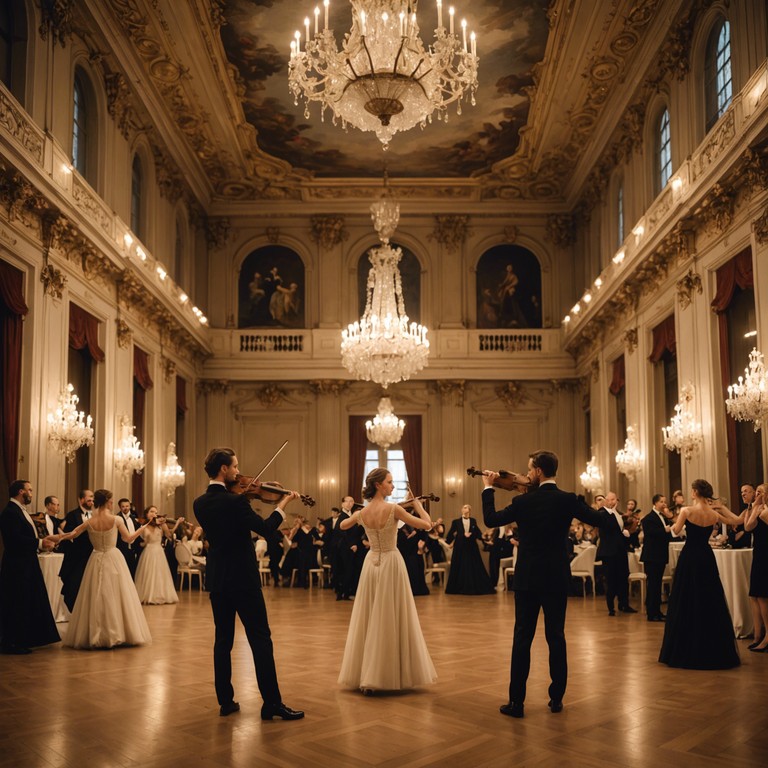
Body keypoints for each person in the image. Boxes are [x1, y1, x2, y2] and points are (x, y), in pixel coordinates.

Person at [481, 450, 603, 718]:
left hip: (527, 579)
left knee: (522, 638)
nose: (526, 474)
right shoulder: (567, 499)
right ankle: (556, 698)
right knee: (556, 637)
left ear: (537, 471)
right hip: (556, 578)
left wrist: (488, 488)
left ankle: (516, 703)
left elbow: (490, 520)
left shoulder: (522, 502)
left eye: (529, 469)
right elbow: (599, 519)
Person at [193, 447, 304, 720]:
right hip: (243, 578)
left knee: (223, 641)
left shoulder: (199, 503)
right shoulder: (236, 502)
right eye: (235, 467)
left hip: (218, 579)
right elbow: (266, 528)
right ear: (224, 470)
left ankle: (226, 702)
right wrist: (283, 504)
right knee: (260, 639)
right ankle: (272, 704)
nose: (239, 473)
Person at [337, 468, 437, 693]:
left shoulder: (363, 512)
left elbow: (342, 526)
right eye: (390, 482)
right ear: (378, 485)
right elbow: (427, 525)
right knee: (390, 615)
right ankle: (385, 673)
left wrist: (356, 516)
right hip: (391, 562)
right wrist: (419, 506)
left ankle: (367, 674)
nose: (393, 486)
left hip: (371, 563)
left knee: (370, 615)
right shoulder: (393, 509)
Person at [658, 479, 741, 669]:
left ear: (695, 492)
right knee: (708, 598)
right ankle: (711, 648)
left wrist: (672, 525)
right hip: (706, 557)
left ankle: (685, 648)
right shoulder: (713, 514)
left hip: (690, 558)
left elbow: (676, 532)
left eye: (692, 491)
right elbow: (736, 520)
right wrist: (721, 507)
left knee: (686, 598)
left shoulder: (687, 511)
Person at [61, 489, 152, 649]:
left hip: (95, 558)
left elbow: (73, 535)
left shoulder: (90, 521)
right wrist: (141, 529)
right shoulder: (116, 519)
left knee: (95, 595)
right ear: (108, 502)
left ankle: (96, 632)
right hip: (113, 557)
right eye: (111, 500)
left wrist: (56, 538)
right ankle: (117, 632)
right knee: (117, 595)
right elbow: (128, 538)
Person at [0, 480, 60, 654]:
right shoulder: (10, 512)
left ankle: (26, 638)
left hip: (26, 561)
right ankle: (12, 642)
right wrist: (40, 542)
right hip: (17, 564)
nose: (32, 493)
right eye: (30, 490)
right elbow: (14, 539)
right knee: (17, 601)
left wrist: (46, 541)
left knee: (27, 600)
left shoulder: (19, 511)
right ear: (21, 492)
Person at [595, 492, 636, 615]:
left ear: (617, 500)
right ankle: (611, 607)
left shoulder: (618, 514)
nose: (611, 502)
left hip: (620, 551)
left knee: (623, 578)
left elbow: (619, 530)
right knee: (611, 580)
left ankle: (624, 604)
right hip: (609, 552)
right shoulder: (603, 513)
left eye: (614, 499)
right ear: (606, 501)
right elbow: (608, 529)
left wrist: (626, 533)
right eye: (609, 500)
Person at [444, 504, 495, 595]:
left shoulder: (473, 521)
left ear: (470, 510)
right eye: (464, 507)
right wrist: (461, 535)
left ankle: (472, 587)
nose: (466, 508)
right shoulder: (456, 522)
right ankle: (458, 587)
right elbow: (451, 534)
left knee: (473, 566)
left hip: (471, 547)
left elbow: (478, 533)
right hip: (460, 548)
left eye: (468, 507)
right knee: (460, 566)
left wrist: (485, 539)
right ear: (461, 510)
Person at [58, 489, 95, 611]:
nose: (91, 500)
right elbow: (69, 536)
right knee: (75, 586)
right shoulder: (72, 515)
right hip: (77, 558)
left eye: (92, 497)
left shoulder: (95, 515)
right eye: (89, 498)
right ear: (81, 500)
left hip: (93, 556)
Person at [134, 508, 179, 604]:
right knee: (148, 574)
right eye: (152, 511)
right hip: (148, 552)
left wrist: (177, 523)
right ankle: (147, 596)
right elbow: (143, 543)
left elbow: (169, 534)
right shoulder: (143, 526)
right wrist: (143, 543)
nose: (154, 513)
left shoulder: (161, 525)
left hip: (159, 551)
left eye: (156, 512)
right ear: (146, 514)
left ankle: (160, 595)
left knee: (159, 574)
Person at [640, 494, 673, 622]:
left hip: (659, 555)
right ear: (655, 503)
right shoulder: (648, 518)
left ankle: (657, 612)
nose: (664, 504)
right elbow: (650, 534)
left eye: (665, 501)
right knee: (653, 585)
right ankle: (651, 613)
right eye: (661, 502)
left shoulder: (662, 517)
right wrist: (665, 530)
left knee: (657, 584)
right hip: (652, 556)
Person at [744, 483, 768, 652]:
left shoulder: (765, 511)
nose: (758, 495)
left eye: (761, 492)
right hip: (759, 554)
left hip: (766, 555)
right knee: (755, 594)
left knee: (763, 595)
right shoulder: (757, 509)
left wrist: (760, 508)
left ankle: (767, 637)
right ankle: (758, 634)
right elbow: (748, 526)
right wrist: (756, 508)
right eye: (757, 492)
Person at [115, 497, 141, 578]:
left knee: (132, 570)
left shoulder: (134, 517)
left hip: (133, 549)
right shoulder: (117, 518)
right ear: (120, 507)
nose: (125, 508)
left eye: (127, 506)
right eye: (123, 506)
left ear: (130, 506)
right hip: (122, 548)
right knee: (123, 572)